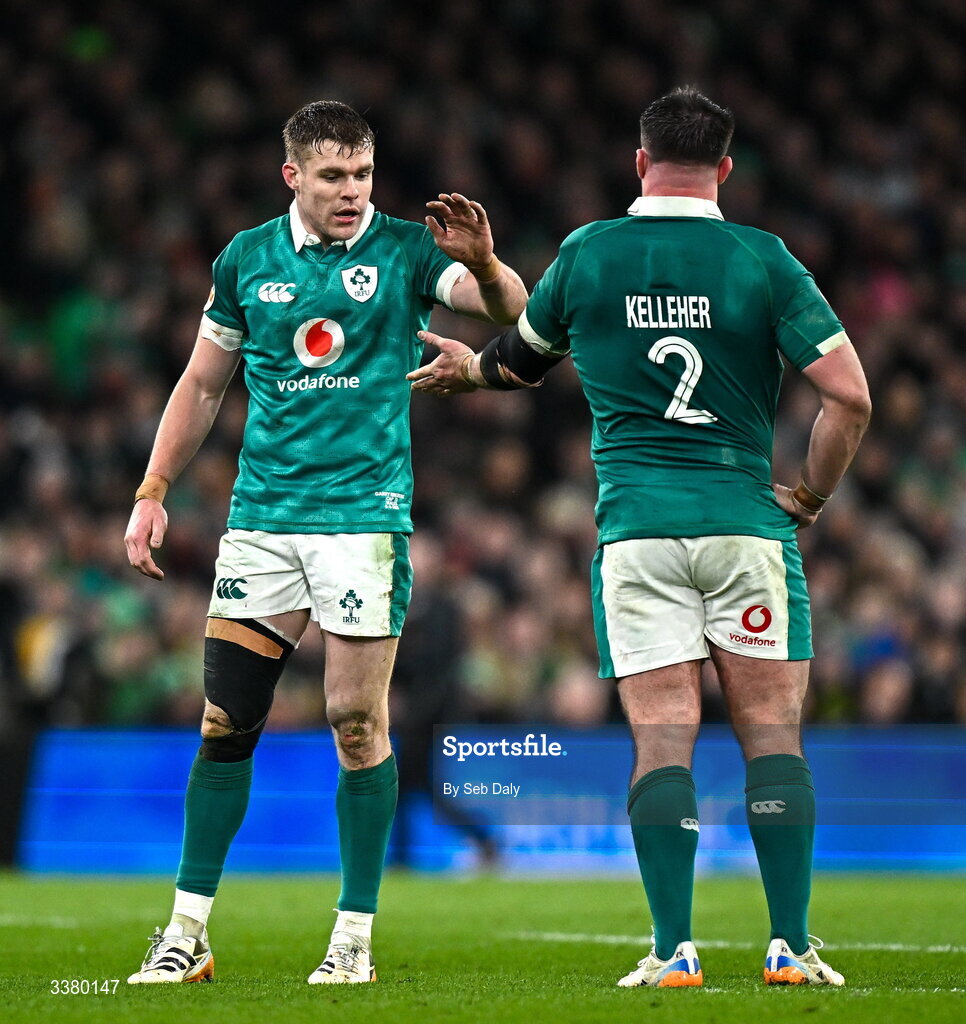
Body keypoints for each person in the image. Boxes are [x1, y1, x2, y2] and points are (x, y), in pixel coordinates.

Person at [410, 87, 871, 989]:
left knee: (662, 742)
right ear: (725, 170)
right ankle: (791, 947)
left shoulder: (589, 252)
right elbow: (850, 395)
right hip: (745, 528)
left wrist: (470, 373)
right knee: (773, 735)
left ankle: (672, 952)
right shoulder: (762, 259)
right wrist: (810, 493)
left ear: (638, 162)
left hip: (637, 538)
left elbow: (521, 357)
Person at [123, 99, 527, 985]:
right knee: (226, 725)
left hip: (363, 521)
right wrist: (154, 491)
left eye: (364, 175)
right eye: (335, 176)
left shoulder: (409, 250)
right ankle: (185, 933)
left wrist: (487, 263)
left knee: (354, 722)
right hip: (262, 522)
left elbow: (508, 309)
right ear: (293, 176)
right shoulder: (245, 260)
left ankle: (353, 937)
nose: (353, 192)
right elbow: (200, 384)